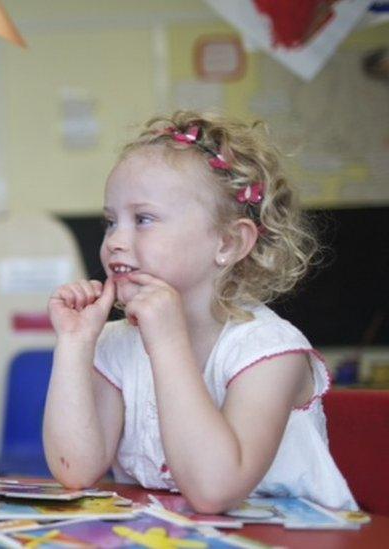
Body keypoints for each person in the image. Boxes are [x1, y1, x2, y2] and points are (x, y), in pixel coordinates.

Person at [42, 111, 357, 513]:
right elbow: (76, 470)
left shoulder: (269, 350)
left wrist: (168, 342)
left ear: (228, 242)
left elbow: (214, 490)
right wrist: (74, 344)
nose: (115, 241)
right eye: (110, 221)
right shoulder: (116, 343)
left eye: (144, 219)